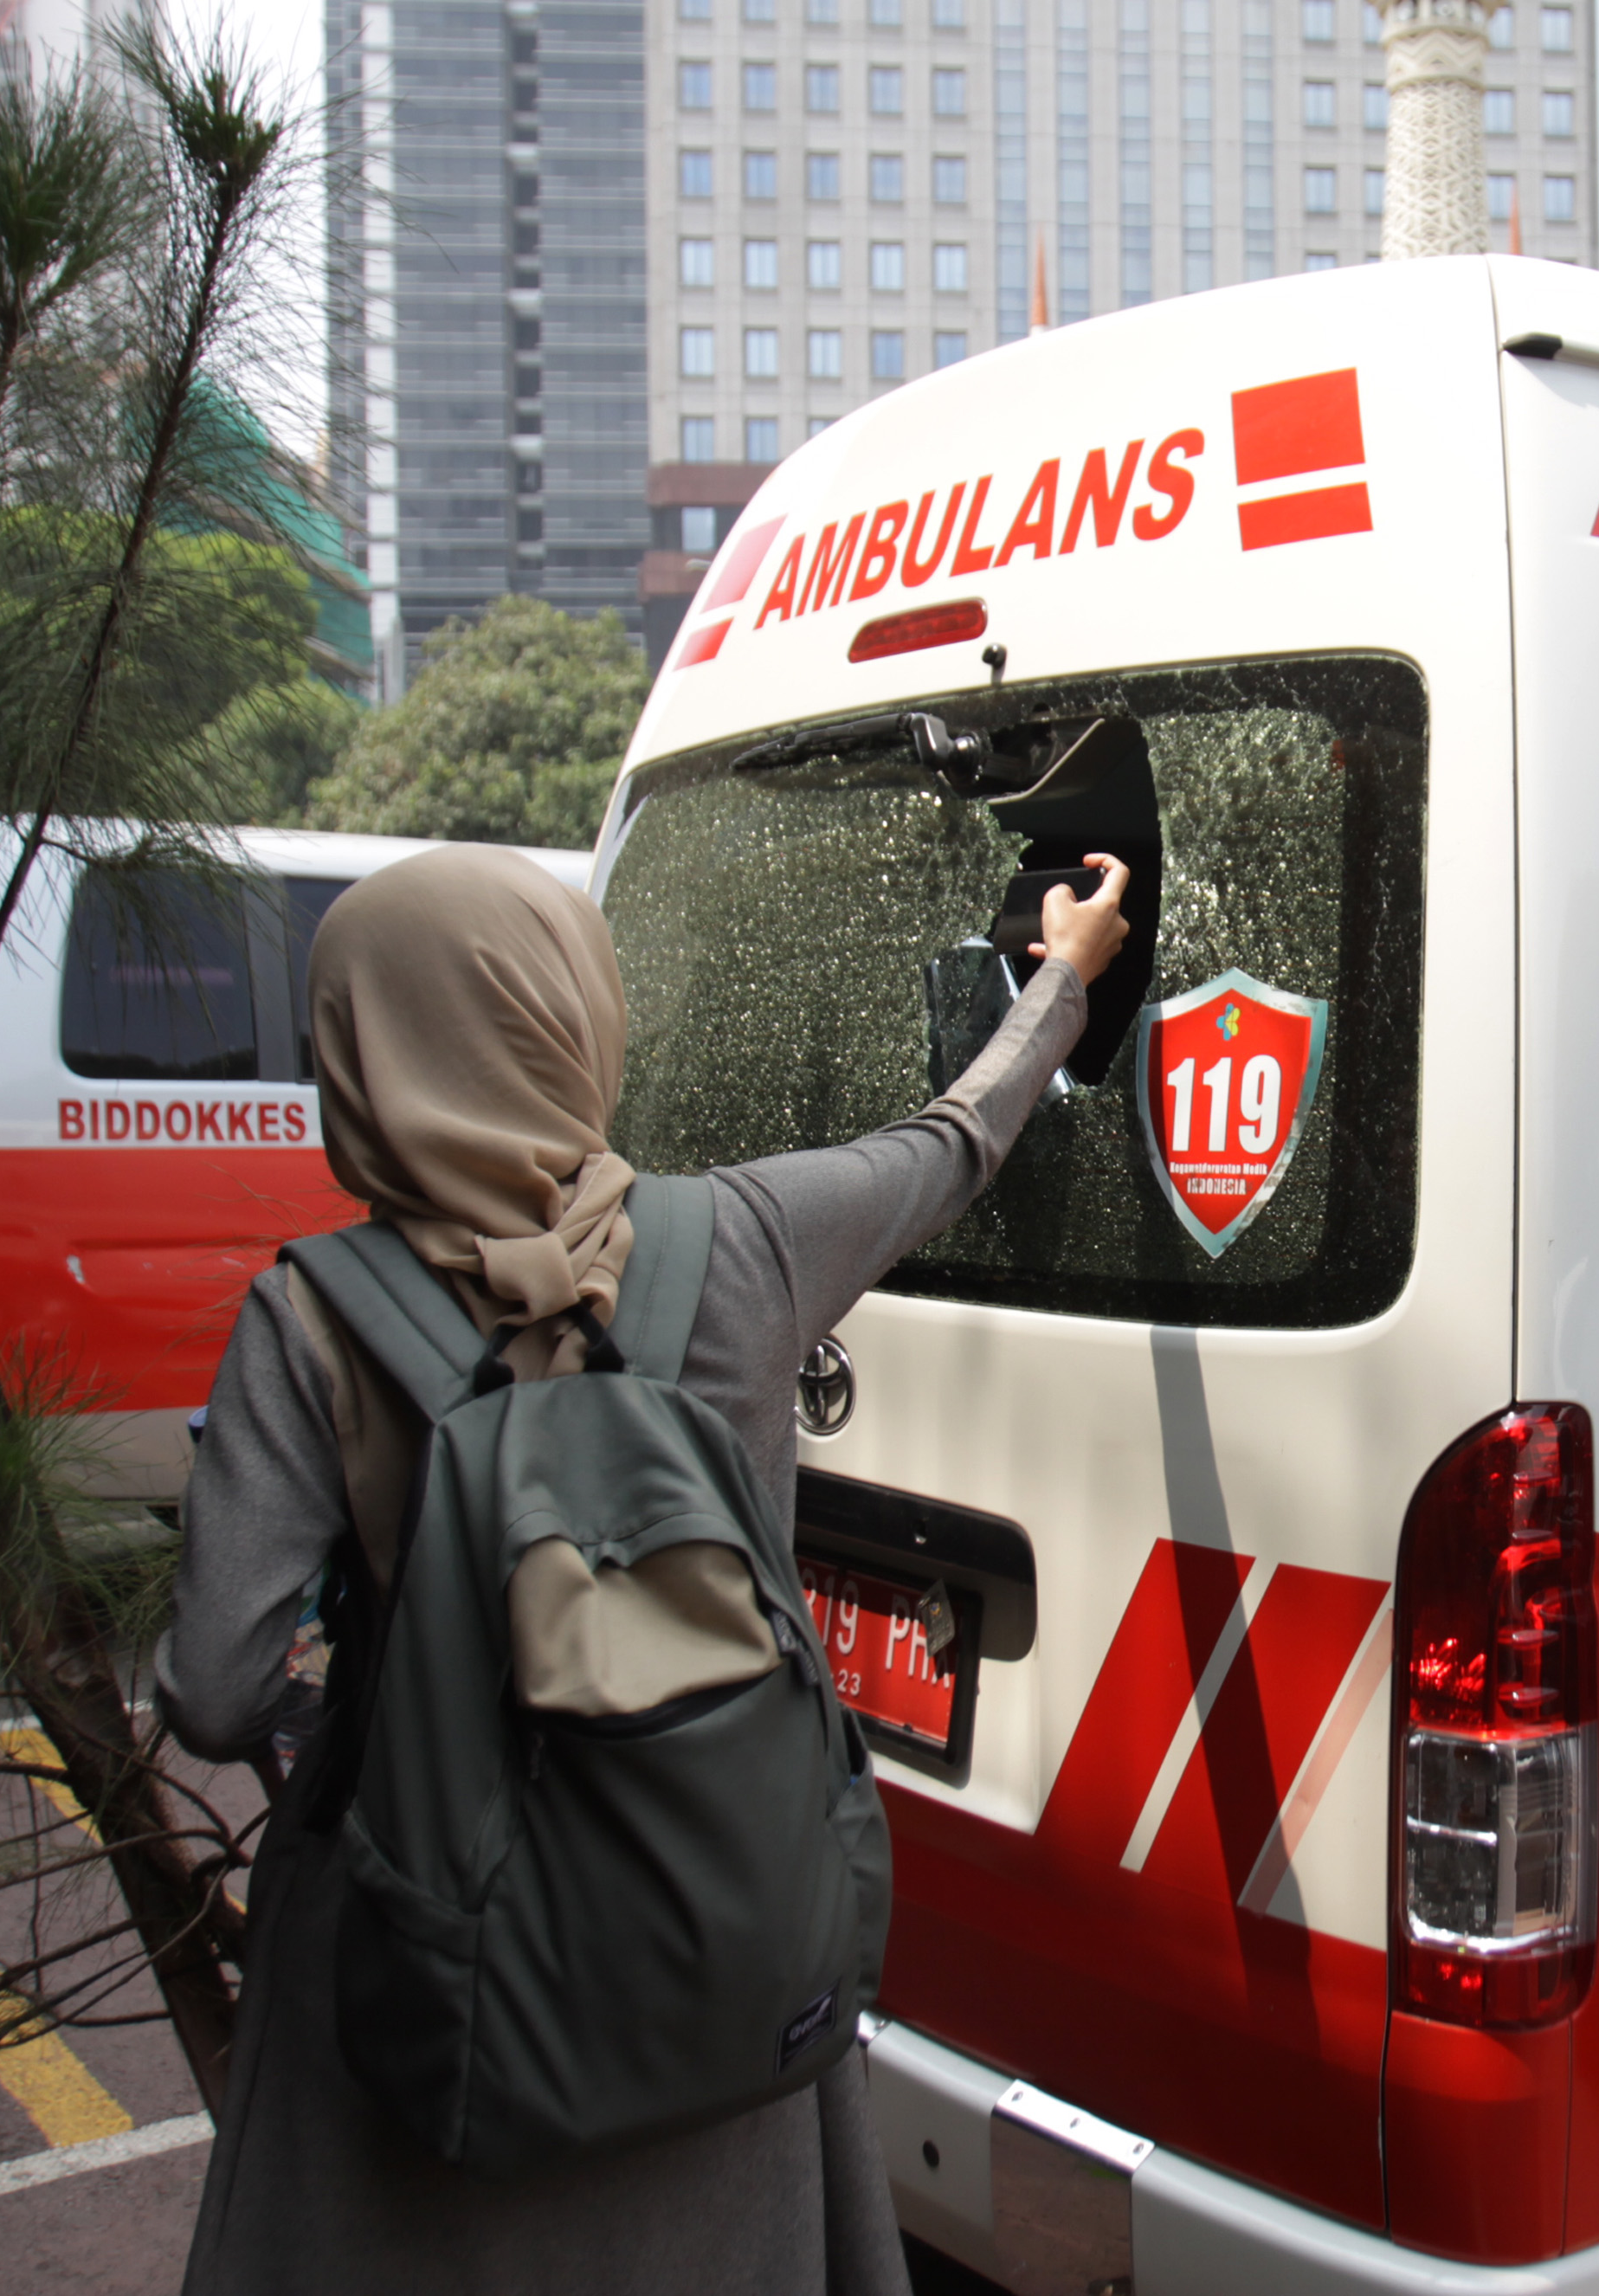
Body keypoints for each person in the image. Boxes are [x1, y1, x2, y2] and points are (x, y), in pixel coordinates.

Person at [157, 840, 1127, 2294]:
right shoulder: (748, 1240)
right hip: (707, 1935)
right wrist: (1066, 976)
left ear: (354, 1051)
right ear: (574, 1020)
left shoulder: (307, 1322)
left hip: (429, 1992)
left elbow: (217, 1694)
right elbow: (956, 1142)